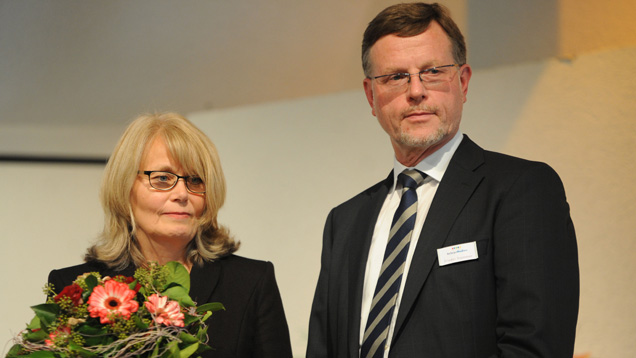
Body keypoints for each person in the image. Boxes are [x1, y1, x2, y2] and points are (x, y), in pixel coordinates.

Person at [307, 3, 579, 358]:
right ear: (370, 96)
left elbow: (535, 349)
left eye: (433, 71)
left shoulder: (521, 190)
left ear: (463, 82)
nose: (416, 91)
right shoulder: (344, 223)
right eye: (395, 77)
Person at [48, 112, 293, 358]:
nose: (182, 194)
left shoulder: (250, 283)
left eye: (195, 180)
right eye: (163, 178)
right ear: (124, 187)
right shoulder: (72, 289)